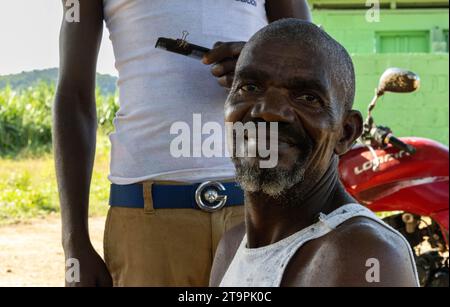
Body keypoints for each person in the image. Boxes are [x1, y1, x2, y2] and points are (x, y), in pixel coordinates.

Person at [54, 0, 311, 286]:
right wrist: (73, 242)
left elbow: (314, 63)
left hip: (260, 209)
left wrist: (262, 66)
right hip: (146, 218)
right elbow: (73, 95)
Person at [210, 19, 420, 287]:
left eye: (307, 98)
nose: (269, 110)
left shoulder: (362, 254)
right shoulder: (231, 246)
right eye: (250, 87)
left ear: (346, 133)